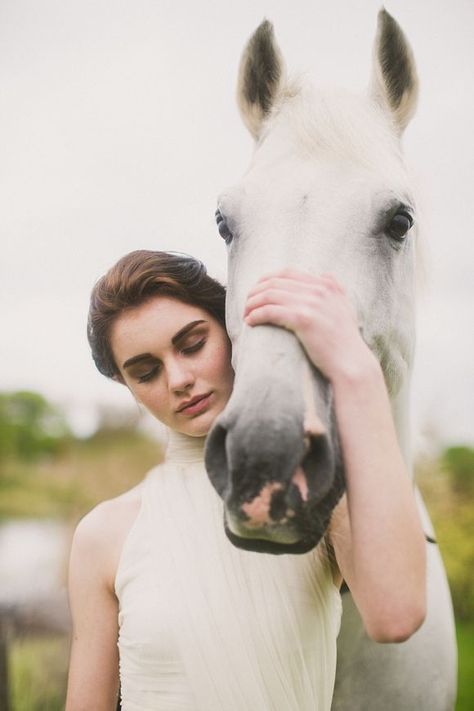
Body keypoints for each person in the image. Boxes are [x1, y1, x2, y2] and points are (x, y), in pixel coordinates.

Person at [65, 249, 426, 711]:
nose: (179, 379)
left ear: (233, 330)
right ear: (127, 386)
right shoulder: (103, 534)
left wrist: (354, 367)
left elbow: (397, 615)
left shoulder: (309, 491)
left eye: (193, 345)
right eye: (146, 372)